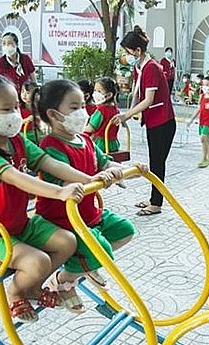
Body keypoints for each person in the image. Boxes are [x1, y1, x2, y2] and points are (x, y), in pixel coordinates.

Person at [0, 73, 100, 323]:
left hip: (20, 224)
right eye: (6, 109)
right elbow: (13, 176)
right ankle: (15, 292)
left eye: (15, 107)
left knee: (67, 241)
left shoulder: (17, 141)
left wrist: (90, 179)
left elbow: (49, 162)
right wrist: (59, 191)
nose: (15, 114)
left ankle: (34, 287)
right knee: (38, 261)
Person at [34, 79, 138, 295]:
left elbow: (104, 162)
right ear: (53, 115)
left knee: (125, 230)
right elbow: (63, 182)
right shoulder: (51, 146)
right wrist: (94, 178)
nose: (83, 112)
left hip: (89, 214)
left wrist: (122, 169)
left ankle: (84, 266)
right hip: (64, 220)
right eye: (74, 108)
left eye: (83, 105)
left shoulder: (85, 140)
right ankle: (64, 279)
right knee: (102, 251)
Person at [112, 25, 176, 217]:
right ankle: (153, 198)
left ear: (138, 51)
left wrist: (126, 115)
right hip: (154, 122)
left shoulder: (152, 68)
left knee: (157, 163)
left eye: (127, 51)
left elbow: (148, 100)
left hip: (163, 122)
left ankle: (156, 203)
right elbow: (137, 94)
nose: (126, 55)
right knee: (155, 162)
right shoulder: (139, 67)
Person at [187, 75, 209, 168]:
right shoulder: (202, 96)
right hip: (202, 121)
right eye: (203, 84)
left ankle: (204, 158)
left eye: (207, 85)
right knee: (205, 141)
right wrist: (191, 120)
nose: (204, 87)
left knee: (203, 138)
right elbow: (199, 109)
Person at [84, 77, 121, 153]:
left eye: (99, 91)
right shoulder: (115, 109)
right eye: (95, 90)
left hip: (100, 144)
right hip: (113, 143)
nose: (95, 93)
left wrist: (78, 129)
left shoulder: (101, 110)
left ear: (109, 95)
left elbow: (91, 128)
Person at [19, 81, 42, 145]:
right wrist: (26, 120)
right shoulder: (18, 108)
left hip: (36, 133)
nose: (24, 95)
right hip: (23, 134)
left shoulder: (39, 107)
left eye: (28, 93)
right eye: (22, 92)